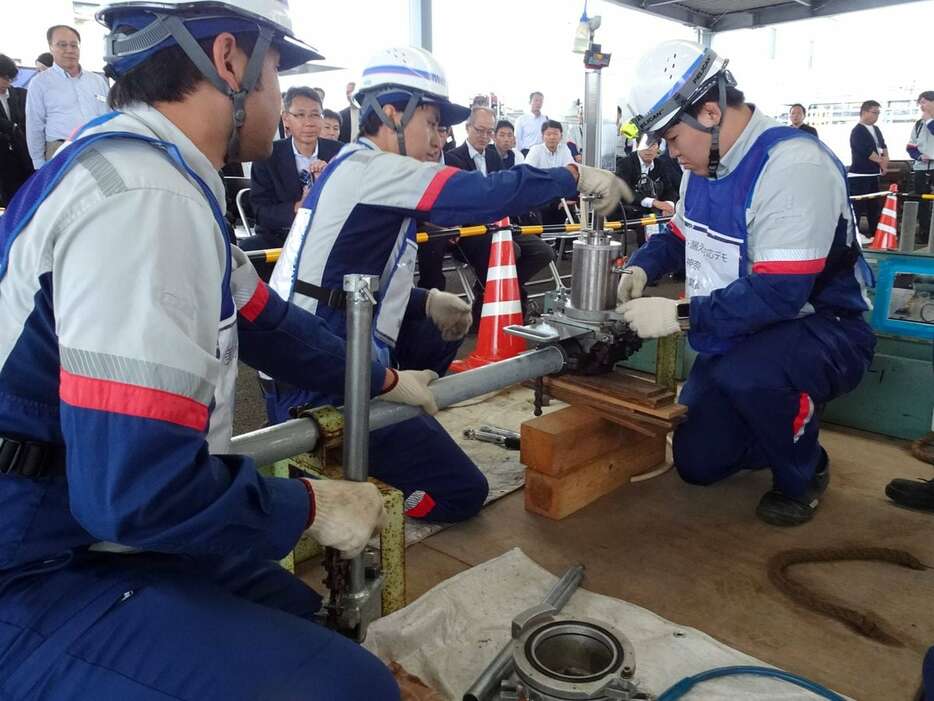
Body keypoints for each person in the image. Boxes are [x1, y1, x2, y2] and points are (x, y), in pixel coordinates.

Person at [0, 1, 460, 697]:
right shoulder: (146, 199)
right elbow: (135, 490)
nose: (283, 102)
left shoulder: (152, 172)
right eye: (277, 72)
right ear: (228, 61)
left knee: (309, 615)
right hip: (35, 561)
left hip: (81, 520)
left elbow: (270, 324)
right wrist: (307, 506)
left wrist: (384, 376)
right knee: (351, 687)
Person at [265, 46, 628, 523]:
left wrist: (424, 300)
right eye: (432, 123)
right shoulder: (373, 169)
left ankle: (393, 424)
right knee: (462, 492)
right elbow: (478, 195)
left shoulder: (360, 170)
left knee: (441, 324)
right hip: (318, 382)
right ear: (391, 113)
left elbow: (339, 281)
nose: (440, 140)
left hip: (322, 354)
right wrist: (573, 175)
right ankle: (371, 491)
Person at [617, 39, 875, 527]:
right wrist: (643, 267)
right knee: (698, 464)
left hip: (823, 328)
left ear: (710, 112)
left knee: (750, 377)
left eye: (672, 139)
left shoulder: (793, 167)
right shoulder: (704, 167)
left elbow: (780, 293)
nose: (670, 154)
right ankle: (771, 423)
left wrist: (677, 314)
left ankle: (804, 469)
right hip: (741, 331)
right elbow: (679, 235)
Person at [444, 107, 556, 316]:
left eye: (489, 132)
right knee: (512, 250)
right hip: (470, 231)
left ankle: (488, 290)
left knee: (544, 252)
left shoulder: (495, 157)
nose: (485, 137)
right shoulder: (452, 159)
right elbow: (459, 202)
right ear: (467, 128)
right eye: (480, 130)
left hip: (499, 225)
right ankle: (502, 298)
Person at [246, 86, 341, 250]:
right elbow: (260, 212)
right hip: (282, 237)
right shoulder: (267, 156)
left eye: (315, 115)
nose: (309, 123)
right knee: (251, 247)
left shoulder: (339, 152)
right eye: (300, 115)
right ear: (286, 119)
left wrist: (330, 180)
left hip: (327, 236)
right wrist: (298, 207)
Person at [25, 24, 110, 169]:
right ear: (51, 47)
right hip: (60, 150)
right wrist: (38, 163)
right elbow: (34, 124)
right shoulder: (40, 83)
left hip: (98, 148)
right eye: (62, 45)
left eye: (74, 45)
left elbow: (109, 116)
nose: (69, 50)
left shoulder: (97, 81)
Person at [615, 135, 678, 247]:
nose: (649, 149)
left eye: (653, 145)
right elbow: (624, 191)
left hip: (653, 212)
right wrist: (654, 202)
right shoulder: (625, 163)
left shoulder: (660, 165)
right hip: (628, 211)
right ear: (638, 146)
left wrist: (669, 205)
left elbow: (669, 189)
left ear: (658, 147)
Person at [848, 99, 888, 238]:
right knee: (858, 206)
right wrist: (880, 162)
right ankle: (855, 234)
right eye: (874, 112)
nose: (876, 116)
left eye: (878, 113)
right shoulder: (857, 131)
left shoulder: (876, 129)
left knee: (874, 205)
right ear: (864, 112)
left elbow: (883, 146)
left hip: (873, 173)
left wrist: (885, 162)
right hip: (859, 174)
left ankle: (875, 232)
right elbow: (866, 151)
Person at [525, 120, 575, 225]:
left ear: (561, 135)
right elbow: (528, 174)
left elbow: (571, 172)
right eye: (548, 134)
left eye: (555, 134)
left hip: (560, 195)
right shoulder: (535, 150)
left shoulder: (565, 149)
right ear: (543, 136)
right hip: (541, 195)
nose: (552, 137)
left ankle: (563, 240)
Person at [0, 54, 33, 206]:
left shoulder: (20, 95)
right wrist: (9, 127)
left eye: (10, 78)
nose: (7, 82)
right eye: (4, 77)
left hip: (25, 157)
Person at [907, 90, 934, 245]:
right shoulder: (918, 124)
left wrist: (930, 120)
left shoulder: (928, 121)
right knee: (922, 201)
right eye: (920, 103)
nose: (922, 106)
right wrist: (919, 156)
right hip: (921, 167)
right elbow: (910, 147)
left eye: (924, 102)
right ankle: (924, 233)